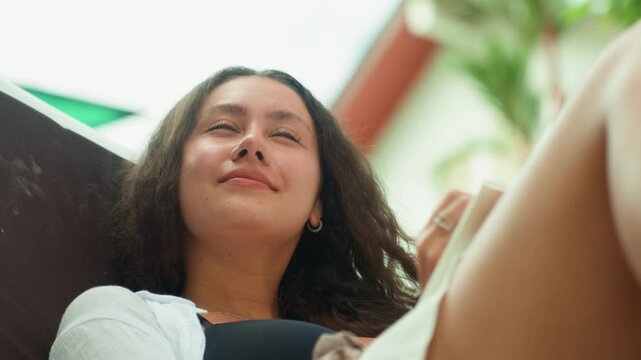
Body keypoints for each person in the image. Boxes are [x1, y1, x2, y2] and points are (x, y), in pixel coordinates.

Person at [51, 19, 641, 360]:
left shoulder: (382, 318)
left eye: (284, 135)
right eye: (224, 126)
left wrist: (451, 292)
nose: (252, 143)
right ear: (169, 180)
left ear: (319, 205)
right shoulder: (123, 316)